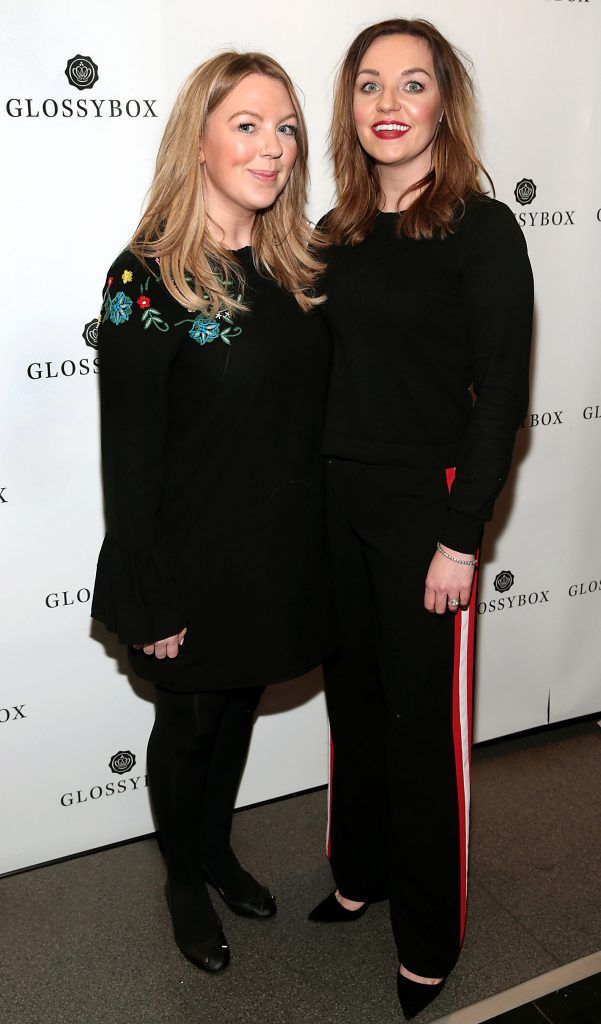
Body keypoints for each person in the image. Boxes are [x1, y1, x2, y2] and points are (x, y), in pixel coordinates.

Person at [308, 19, 533, 1020]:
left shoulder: (480, 229)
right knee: (350, 706)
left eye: (411, 83)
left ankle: (430, 935)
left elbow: (503, 399)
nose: (388, 104)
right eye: (368, 85)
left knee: (419, 729)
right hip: (334, 507)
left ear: (445, 100)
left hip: (422, 514)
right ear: (349, 106)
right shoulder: (333, 231)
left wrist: (459, 533)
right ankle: (359, 870)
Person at [91, 51, 334, 974]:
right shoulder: (146, 277)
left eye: (284, 129)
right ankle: (182, 879)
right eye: (247, 124)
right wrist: (150, 588)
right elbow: (130, 455)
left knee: (236, 710)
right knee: (189, 725)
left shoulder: (297, 265)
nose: (272, 148)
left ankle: (218, 849)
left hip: (274, 550)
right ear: (197, 139)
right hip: (189, 557)